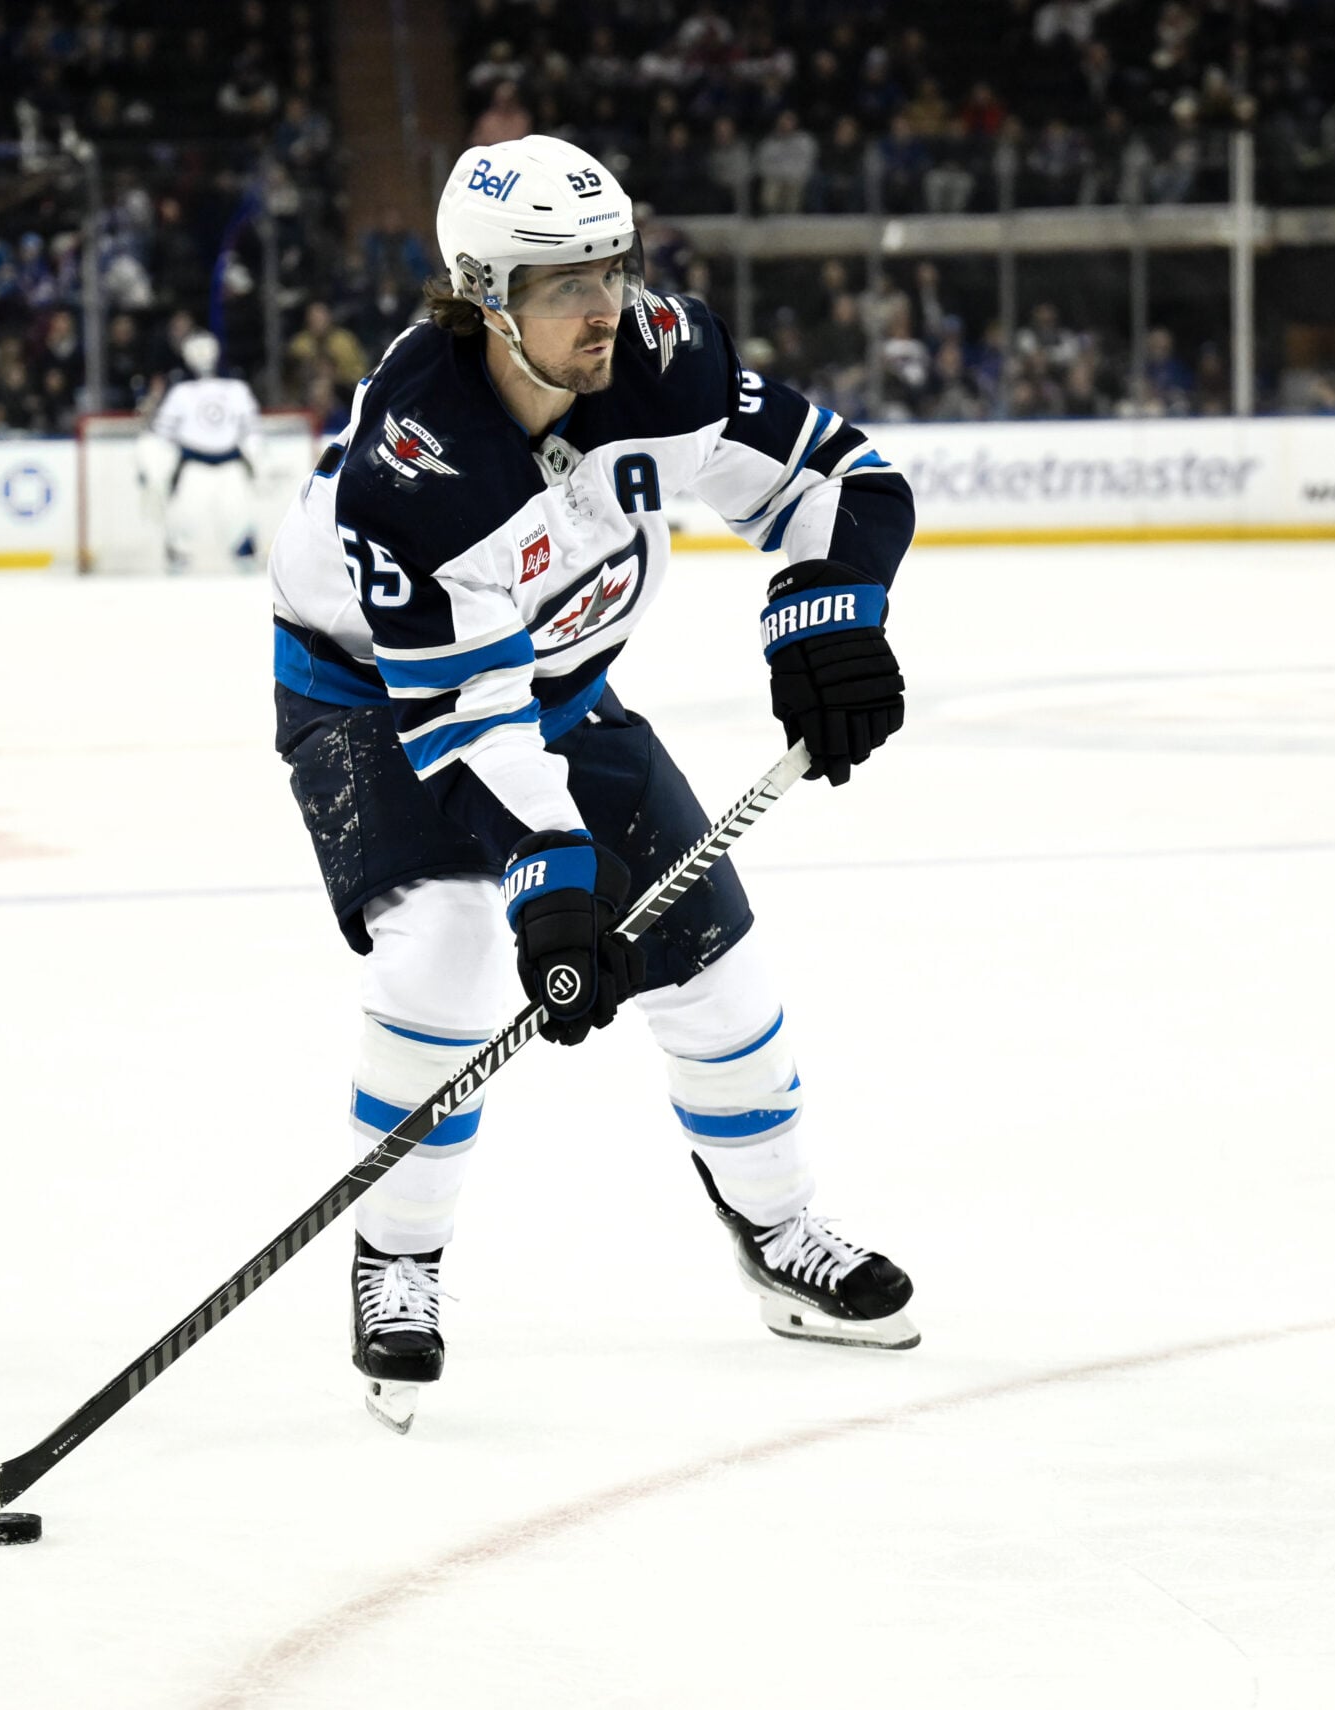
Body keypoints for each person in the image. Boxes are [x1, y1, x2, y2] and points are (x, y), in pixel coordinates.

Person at [265, 136, 921, 1433]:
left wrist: (829, 622)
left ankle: (780, 1229)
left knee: (712, 952)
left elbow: (839, 478)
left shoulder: (663, 359)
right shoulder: (414, 469)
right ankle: (398, 1253)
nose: (603, 305)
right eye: (564, 283)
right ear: (482, 300)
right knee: (450, 941)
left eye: (610, 267)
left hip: (562, 683)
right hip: (378, 701)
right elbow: (467, 727)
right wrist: (554, 886)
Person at [141, 331, 263, 574]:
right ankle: (177, 561)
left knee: (238, 520)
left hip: (231, 466)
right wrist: (155, 470)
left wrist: (259, 462)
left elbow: (251, 431)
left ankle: (246, 564)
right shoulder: (181, 393)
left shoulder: (236, 389)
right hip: (193, 466)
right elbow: (162, 436)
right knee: (182, 522)